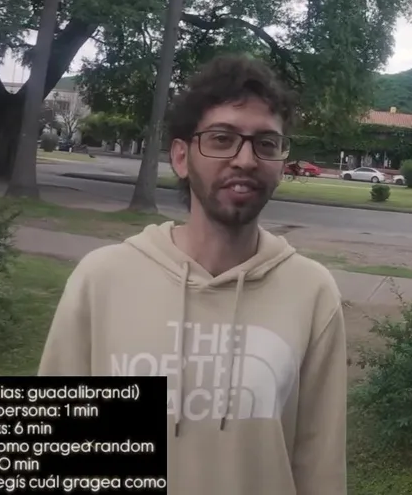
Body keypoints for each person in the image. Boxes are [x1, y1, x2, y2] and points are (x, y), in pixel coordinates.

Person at [38, 55, 346, 494]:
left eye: (266, 143)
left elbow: (320, 467)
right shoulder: (102, 280)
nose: (246, 159)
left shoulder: (311, 292)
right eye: (222, 139)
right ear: (181, 157)